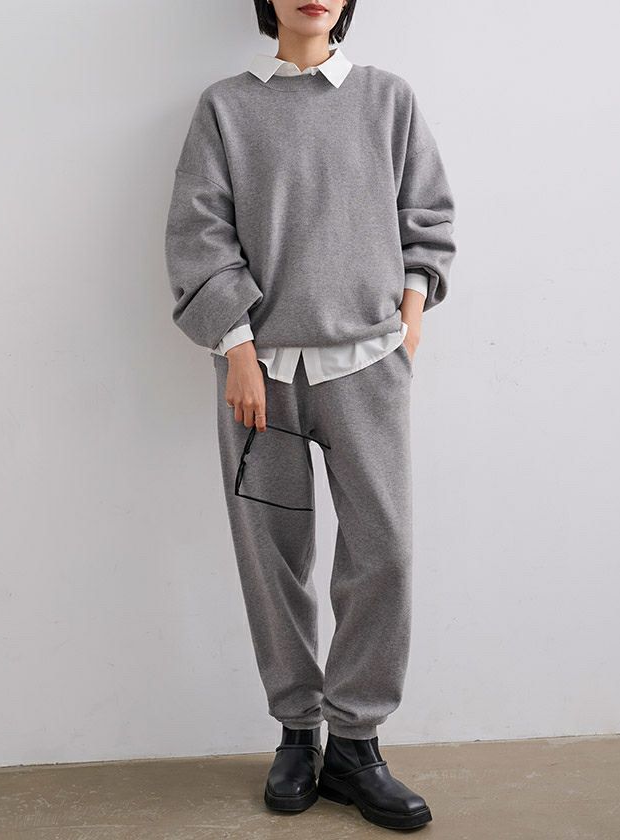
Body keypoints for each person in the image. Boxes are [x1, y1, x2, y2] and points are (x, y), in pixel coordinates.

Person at [164, 0, 456, 831]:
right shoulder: (226, 106)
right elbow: (199, 234)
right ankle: (298, 732)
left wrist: (410, 316)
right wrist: (237, 350)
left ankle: (355, 745)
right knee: (274, 559)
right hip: (261, 376)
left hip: (368, 367)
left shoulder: (387, 98)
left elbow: (427, 214)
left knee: (383, 551)